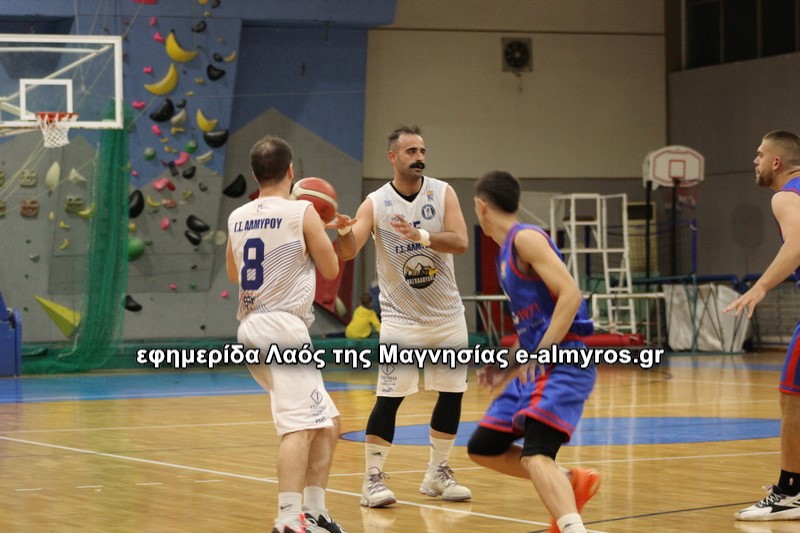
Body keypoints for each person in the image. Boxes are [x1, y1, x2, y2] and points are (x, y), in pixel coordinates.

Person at [333, 125, 472, 507]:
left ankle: (437, 473)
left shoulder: (442, 192)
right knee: (389, 399)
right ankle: (372, 480)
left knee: (451, 396)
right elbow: (349, 251)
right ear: (393, 157)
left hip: (447, 317)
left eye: (422, 150)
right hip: (401, 320)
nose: (419, 157)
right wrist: (343, 232)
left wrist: (421, 236)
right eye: (411, 151)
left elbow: (461, 242)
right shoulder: (376, 202)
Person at [226, 135, 349, 533]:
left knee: (327, 421)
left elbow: (234, 273)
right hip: (283, 327)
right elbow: (330, 268)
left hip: (251, 328)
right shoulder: (302, 211)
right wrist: (320, 231)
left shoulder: (237, 216)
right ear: (291, 171)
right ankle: (288, 518)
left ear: (254, 174)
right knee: (299, 426)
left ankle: (314, 511)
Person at [467, 170, 599, 533]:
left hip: (564, 361)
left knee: (536, 455)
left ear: (481, 206)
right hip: (537, 364)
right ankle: (569, 482)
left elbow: (571, 295)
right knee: (484, 447)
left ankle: (572, 527)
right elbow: (531, 325)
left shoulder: (526, 239)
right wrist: (507, 366)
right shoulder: (505, 255)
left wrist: (540, 354)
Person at [725, 130, 800, 522]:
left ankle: (790, 492)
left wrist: (761, 286)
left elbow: (797, 245)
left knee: (792, 397)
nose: (754, 161)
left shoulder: (785, 196)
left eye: (759, 154)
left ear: (776, 162)